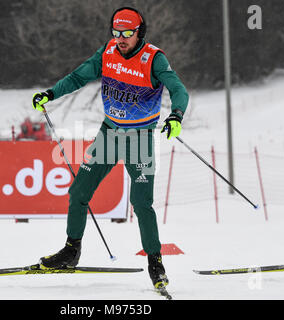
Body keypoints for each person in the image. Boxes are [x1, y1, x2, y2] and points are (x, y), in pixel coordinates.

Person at [32, 7, 189, 289]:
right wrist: (50, 93)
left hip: (140, 138)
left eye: (127, 33)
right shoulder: (108, 52)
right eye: (116, 33)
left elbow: (179, 89)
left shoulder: (153, 58)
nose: (121, 38)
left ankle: (156, 262)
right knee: (79, 192)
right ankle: (71, 250)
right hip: (109, 133)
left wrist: (176, 115)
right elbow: (79, 76)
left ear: (139, 32)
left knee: (141, 203)